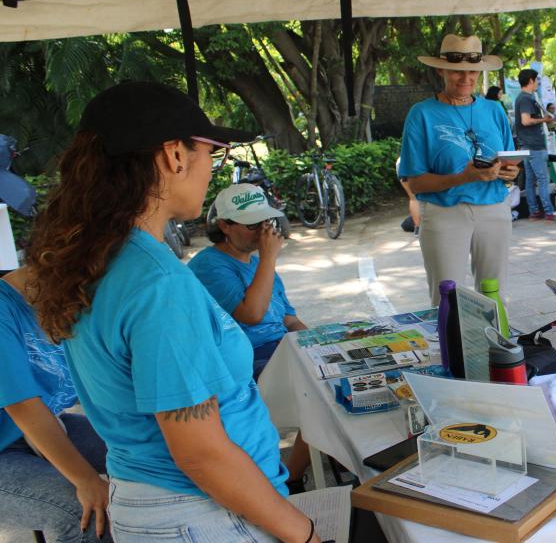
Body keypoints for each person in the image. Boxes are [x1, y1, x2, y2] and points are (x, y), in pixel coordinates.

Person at [26, 81, 319, 542]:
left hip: (156, 504)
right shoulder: (156, 281)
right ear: (174, 156)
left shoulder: (102, 257)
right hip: (201, 514)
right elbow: (200, 453)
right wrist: (303, 533)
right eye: (211, 154)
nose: (210, 169)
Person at [188, 183, 313, 492]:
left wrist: (321, 343)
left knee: (338, 381)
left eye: (265, 223)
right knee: (322, 394)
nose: (262, 233)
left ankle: (298, 470)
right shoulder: (208, 265)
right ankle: (294, 477)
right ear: (224, 226)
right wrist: (270, 258)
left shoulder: (258, 263)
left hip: (280, 348)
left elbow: (289, 317)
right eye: (252, 225)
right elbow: (252, 314)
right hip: (247, 358)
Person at [398, 34, 521, 304]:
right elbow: (415, 183)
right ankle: (452, 348)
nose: (465, 78)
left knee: (494, 293)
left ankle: (492, 346)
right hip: (444, 213)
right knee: (447, 298)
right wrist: (462, 178)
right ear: (441, 69)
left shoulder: (494, 109)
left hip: (495, 208)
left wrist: (510, 174)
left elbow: (508, 160)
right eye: (456, 71)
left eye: (472, 71)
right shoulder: (422, 114)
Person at [0, 267, 109, 542]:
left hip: (36, 431)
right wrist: (87, 481)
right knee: (86, 511)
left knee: (143, 451)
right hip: (11, 442)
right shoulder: (6, 308)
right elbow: (24, 408)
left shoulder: (74, 306)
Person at [515, 68, 556, 222]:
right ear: (531, 81)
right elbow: (526, 121)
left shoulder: (524, 97)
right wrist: (544, 120)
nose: (538, 83)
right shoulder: (525, 98)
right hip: (534, 145)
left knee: (531, 180)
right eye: (537, 80)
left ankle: (534, 211)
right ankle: (549, 212)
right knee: (543, 179)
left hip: (528, 145)